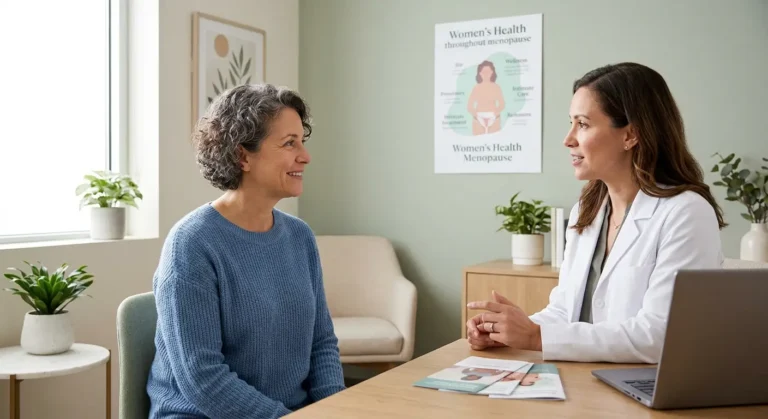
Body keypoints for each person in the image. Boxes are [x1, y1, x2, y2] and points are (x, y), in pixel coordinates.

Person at [465, 62, 726, 364]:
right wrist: (506, 331)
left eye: (583, 124)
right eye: (571, 123)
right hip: (584, 381)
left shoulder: (686, 213)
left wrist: (535, 337)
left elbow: (660, 335)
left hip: (647, 391)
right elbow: (566, 311)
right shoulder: (587, 211)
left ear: (631, 135)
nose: (568, 139)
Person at [146, 84, 346, 418]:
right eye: (289, 143)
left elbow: (321, 343)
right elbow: (203, 378)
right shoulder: (192, 244)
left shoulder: (300, 237)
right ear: (242, 156)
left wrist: (335, 410)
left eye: (302, 141)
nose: (305, 156)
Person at [467, 60, 505, 135]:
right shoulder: (476, 88)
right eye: (483, 72)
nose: (486, 74)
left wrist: (495, 114)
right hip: (478, 118)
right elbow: (469, 106)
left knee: (495, 142)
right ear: (480, 73)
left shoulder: (496, 87)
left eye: (488, 72)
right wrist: (477, 116)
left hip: (494, 118)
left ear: (492, 73)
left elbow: (502, 104)